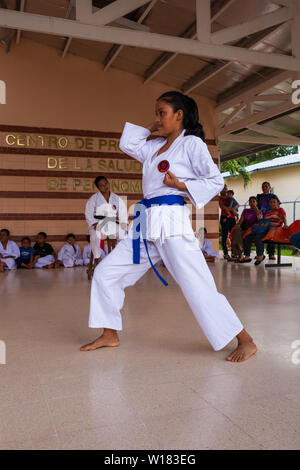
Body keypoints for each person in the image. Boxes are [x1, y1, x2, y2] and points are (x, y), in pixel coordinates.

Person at [80, 90, 257, 363]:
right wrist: (156, 127)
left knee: (196, 285)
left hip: (171, 222)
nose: (157, 118)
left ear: (179, 115)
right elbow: (128, 144)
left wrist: (182, 186)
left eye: (162, 112)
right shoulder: (153, 147)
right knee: (106, 272)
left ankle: (245, 340)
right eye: (156, 113)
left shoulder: (191, 144)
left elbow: (214, 181)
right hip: (145, 224)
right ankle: (110, 332)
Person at [85, 176, 128, 277]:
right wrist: (94, 223)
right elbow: (88, 212)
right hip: (99, 223)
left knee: (124, 234)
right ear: (98, 188)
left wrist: (123, 223)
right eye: (101, 185)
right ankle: (98, 259)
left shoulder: (116, 198)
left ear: (108, 183)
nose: (105, 186)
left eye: (106, 184)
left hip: (112, 224)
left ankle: (117, 258)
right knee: (95, 235)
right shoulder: (94, 199)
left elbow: (123, 213)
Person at [241, 196, 287, 266]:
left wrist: (286, 224)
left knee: (258, 237)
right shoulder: (268, 212)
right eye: (271, 202)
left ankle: (260, 256)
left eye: (274, 202)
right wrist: (259, 216)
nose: (272, 204)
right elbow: (262, 221)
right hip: (264, 228)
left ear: (277, 203)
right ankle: (247, 256)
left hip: (273, 229)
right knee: (248, 236)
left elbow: (284, 217)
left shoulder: (280, 210)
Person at [231, 197, 262, 261]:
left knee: (238, 235)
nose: (252, 203)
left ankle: (239, 253)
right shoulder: (245, 211)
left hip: (253, 230)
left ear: (257, 203)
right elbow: (240, 222)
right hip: (245, 228)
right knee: (236, 231)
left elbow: (260, 222)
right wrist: (236, 226)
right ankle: (240, 248)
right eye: (250, 202)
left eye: (254, 201)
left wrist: (257, 211)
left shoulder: (259, 211)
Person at [257, 182, 280, 260]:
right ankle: (260, 253)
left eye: (266, 186)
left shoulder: (273, 196)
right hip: (262, 219)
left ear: (269, 187)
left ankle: (271, 253)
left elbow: (278, 206)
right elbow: (258, 208)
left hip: (272, 219)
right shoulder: (259, 197)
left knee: (271, 235)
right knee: (260, 234)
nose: (264, 188)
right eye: (263, 186)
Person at [219, 186, 236, 259]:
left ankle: (234, 252)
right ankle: (225, 253)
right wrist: (232, 210)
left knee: (234, 235)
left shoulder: (230, 197)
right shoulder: (219, 198)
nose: (224, 190)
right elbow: (223, 207)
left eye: (225, 188)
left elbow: (237, 204)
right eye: (223, 188)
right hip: (225, 218)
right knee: (225, 235)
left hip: (232, 218)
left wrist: (234, 210)